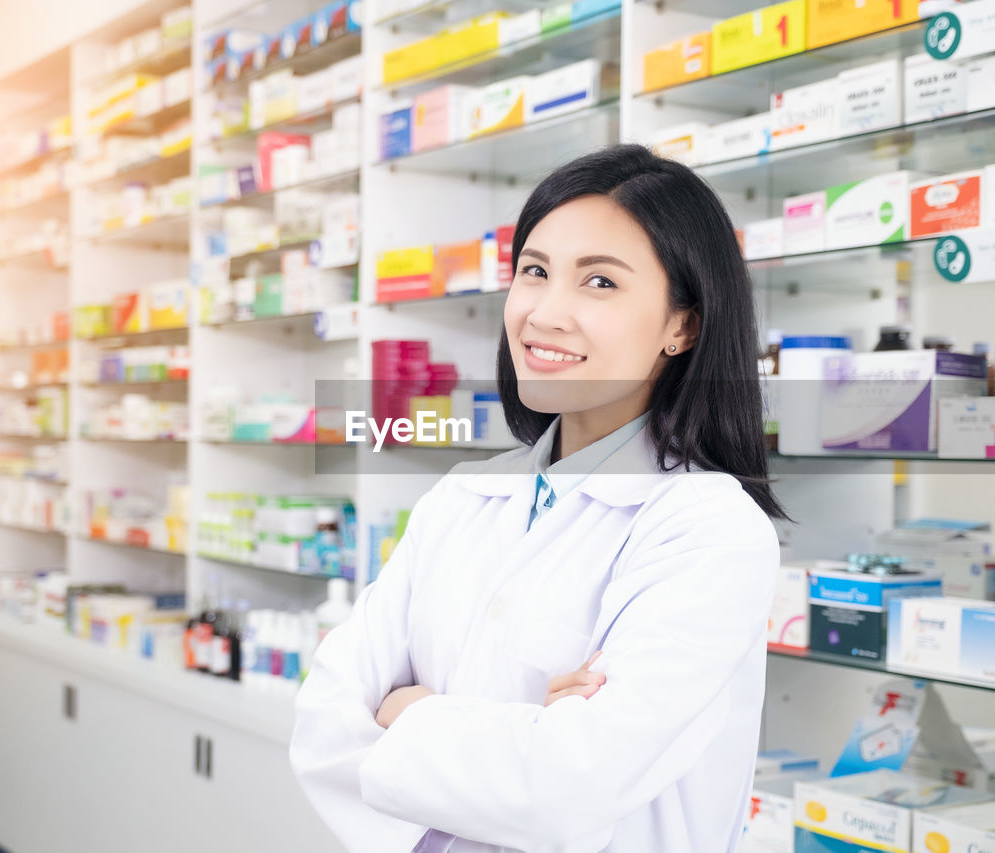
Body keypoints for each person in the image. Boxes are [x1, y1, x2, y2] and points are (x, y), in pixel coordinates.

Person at [290, 144, 786, 853]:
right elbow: (323, 724)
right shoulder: (463, 497)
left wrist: (408, 710)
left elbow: (565, 787)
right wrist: (519, 726)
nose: (545, 313)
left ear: (685, 324)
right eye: (535, 271)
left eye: (601, 283)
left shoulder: (709, 529)